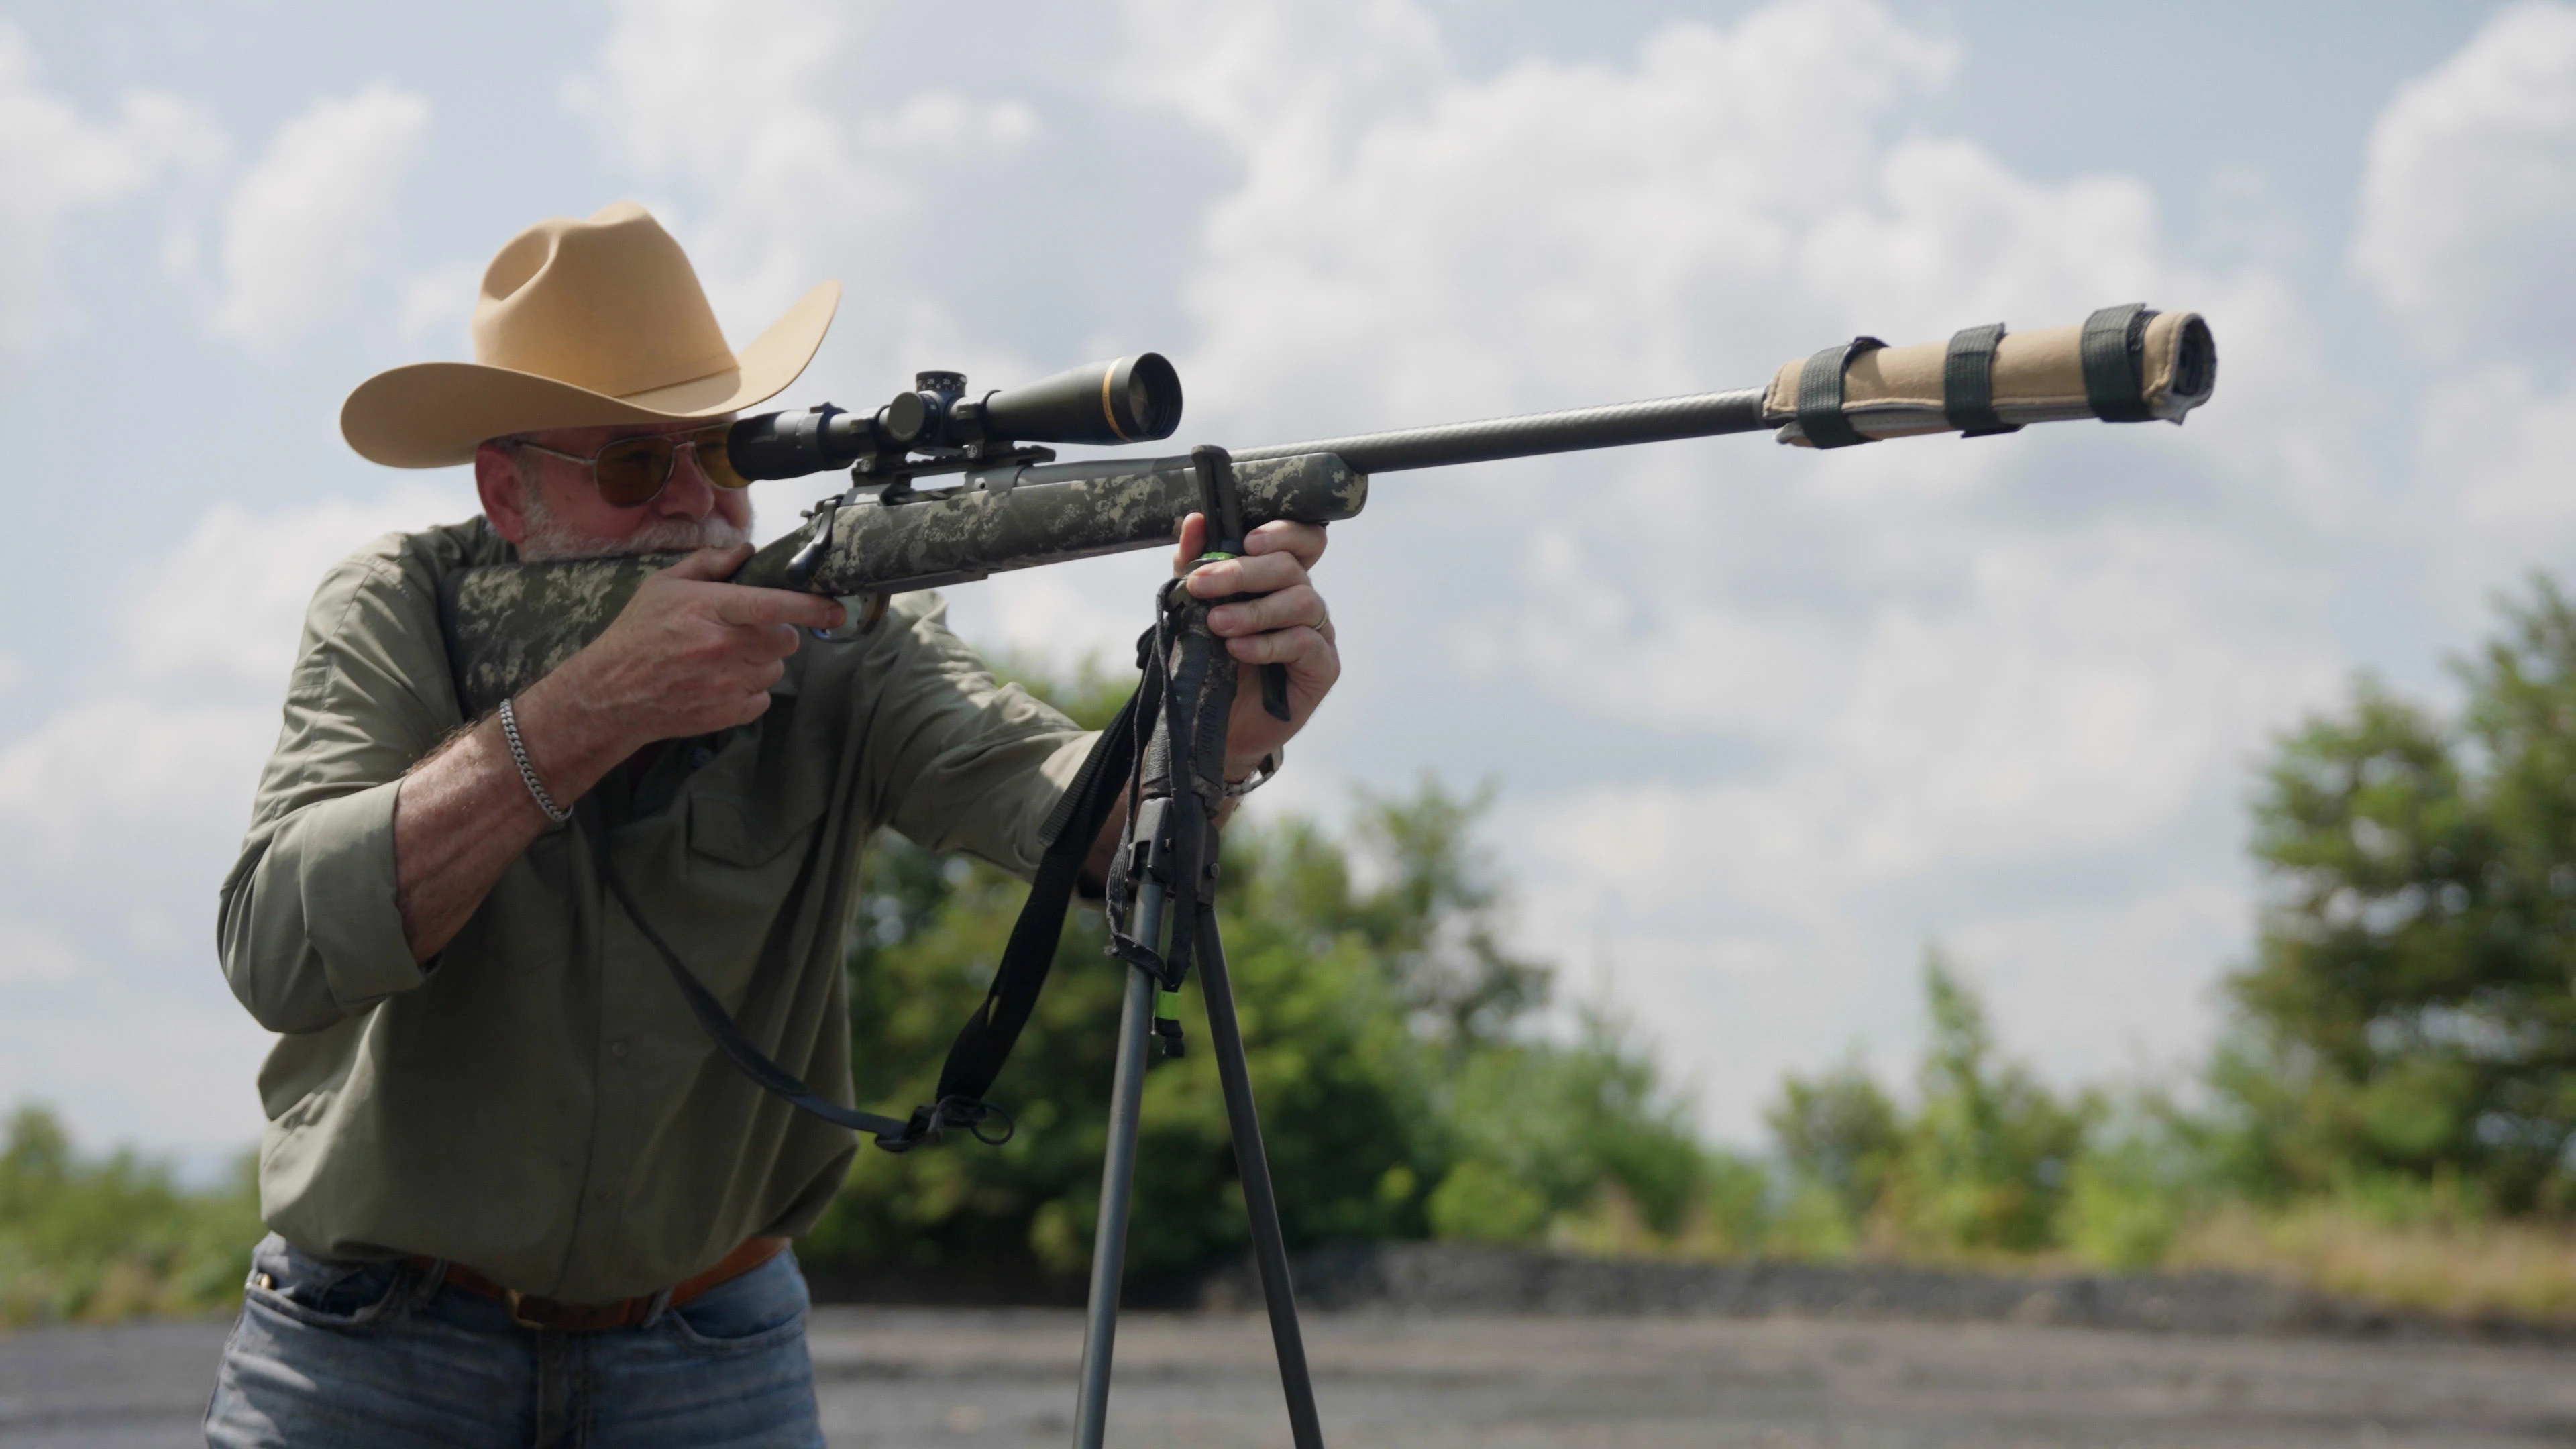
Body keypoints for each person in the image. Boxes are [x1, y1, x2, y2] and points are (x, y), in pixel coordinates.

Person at [203, 201, 1339, 1448]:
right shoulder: (400, 609)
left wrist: (1220, 739)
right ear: (505, 494)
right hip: (374, 1351)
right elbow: (279, 946)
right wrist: (580, 718)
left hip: (710, 1353)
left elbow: (1073, 815)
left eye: (726, 456)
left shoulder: (841, 633)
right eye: (638, 467)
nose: (697, 504)